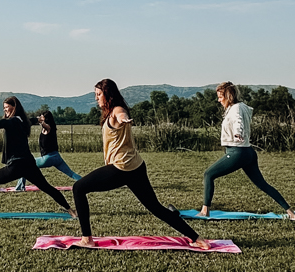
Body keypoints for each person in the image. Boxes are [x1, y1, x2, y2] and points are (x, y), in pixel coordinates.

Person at [69, 79, 214, 249]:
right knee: (155, 207)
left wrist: (124, 119)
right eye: (95, 94)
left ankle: (87, 239)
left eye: (99, 94)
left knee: (79, 188)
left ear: (108, 94)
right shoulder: (109, 112)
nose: (96, 98)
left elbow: (121, 115)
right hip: (135, 167)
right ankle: (197, 238)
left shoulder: (117, 110)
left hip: (121, 168)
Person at [199, 82, 295, 219]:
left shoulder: (236, 109)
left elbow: (238, 121)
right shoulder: (241, 107)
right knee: (262, 184)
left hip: (237, 152)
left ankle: (205, 211)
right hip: (248, 152)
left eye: (220, 97)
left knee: (208, 174)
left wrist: (238, 133)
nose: (218, 100)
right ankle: (291, 213)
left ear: (228, 96)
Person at [0, 97, 73, 219]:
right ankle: (72, 211)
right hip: (29, 163)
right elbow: (29, 120)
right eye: (3, 108)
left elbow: (6, 123)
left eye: (7, 107)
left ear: (14, 107)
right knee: (47, 187)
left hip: (17, 165)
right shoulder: (23, 120)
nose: (5, 110)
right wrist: (37, 119)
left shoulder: (14, 120)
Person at [11, 108, 82, 192]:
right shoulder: (51, 128)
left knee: (25, 165)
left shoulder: (48, 127)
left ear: (45, 118)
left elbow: (45, 125)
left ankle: (19, 187)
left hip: (48, 158)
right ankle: (86, 182)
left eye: (42, 116)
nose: (40, 117)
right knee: (71, 173)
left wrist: (41, 121)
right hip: (57, 157)